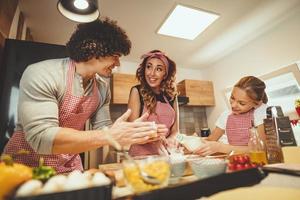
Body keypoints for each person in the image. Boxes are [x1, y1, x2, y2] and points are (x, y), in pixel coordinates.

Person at [3, 18, 158, 173]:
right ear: (94, 49)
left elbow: (104, 129)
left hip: (68, 166)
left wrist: (135, 133)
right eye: (115, 55)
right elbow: (43, 138)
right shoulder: (43, 74)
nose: (117, 63)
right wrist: (110, 135)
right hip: (23, 167)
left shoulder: (102, 89)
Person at [194, 76, 268, 156]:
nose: (233, 105)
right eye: (232, 98)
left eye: (241, 103)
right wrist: (192, 143)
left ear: (257, 104)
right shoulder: (226, 115)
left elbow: (259, 148)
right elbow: (210, 140)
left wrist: (220, 147)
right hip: (234, 161)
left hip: (256, 161)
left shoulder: (260, 112)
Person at [127, 50, 179, 156]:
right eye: (149, 67)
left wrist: (171, 139)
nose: (152, 73)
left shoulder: (172, 96)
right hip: (140, 156)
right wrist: (156, 138)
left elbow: (175, 131)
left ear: (165, 74)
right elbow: (133, 130)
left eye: (159, 69)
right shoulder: (136, 91)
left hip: (165, 154)